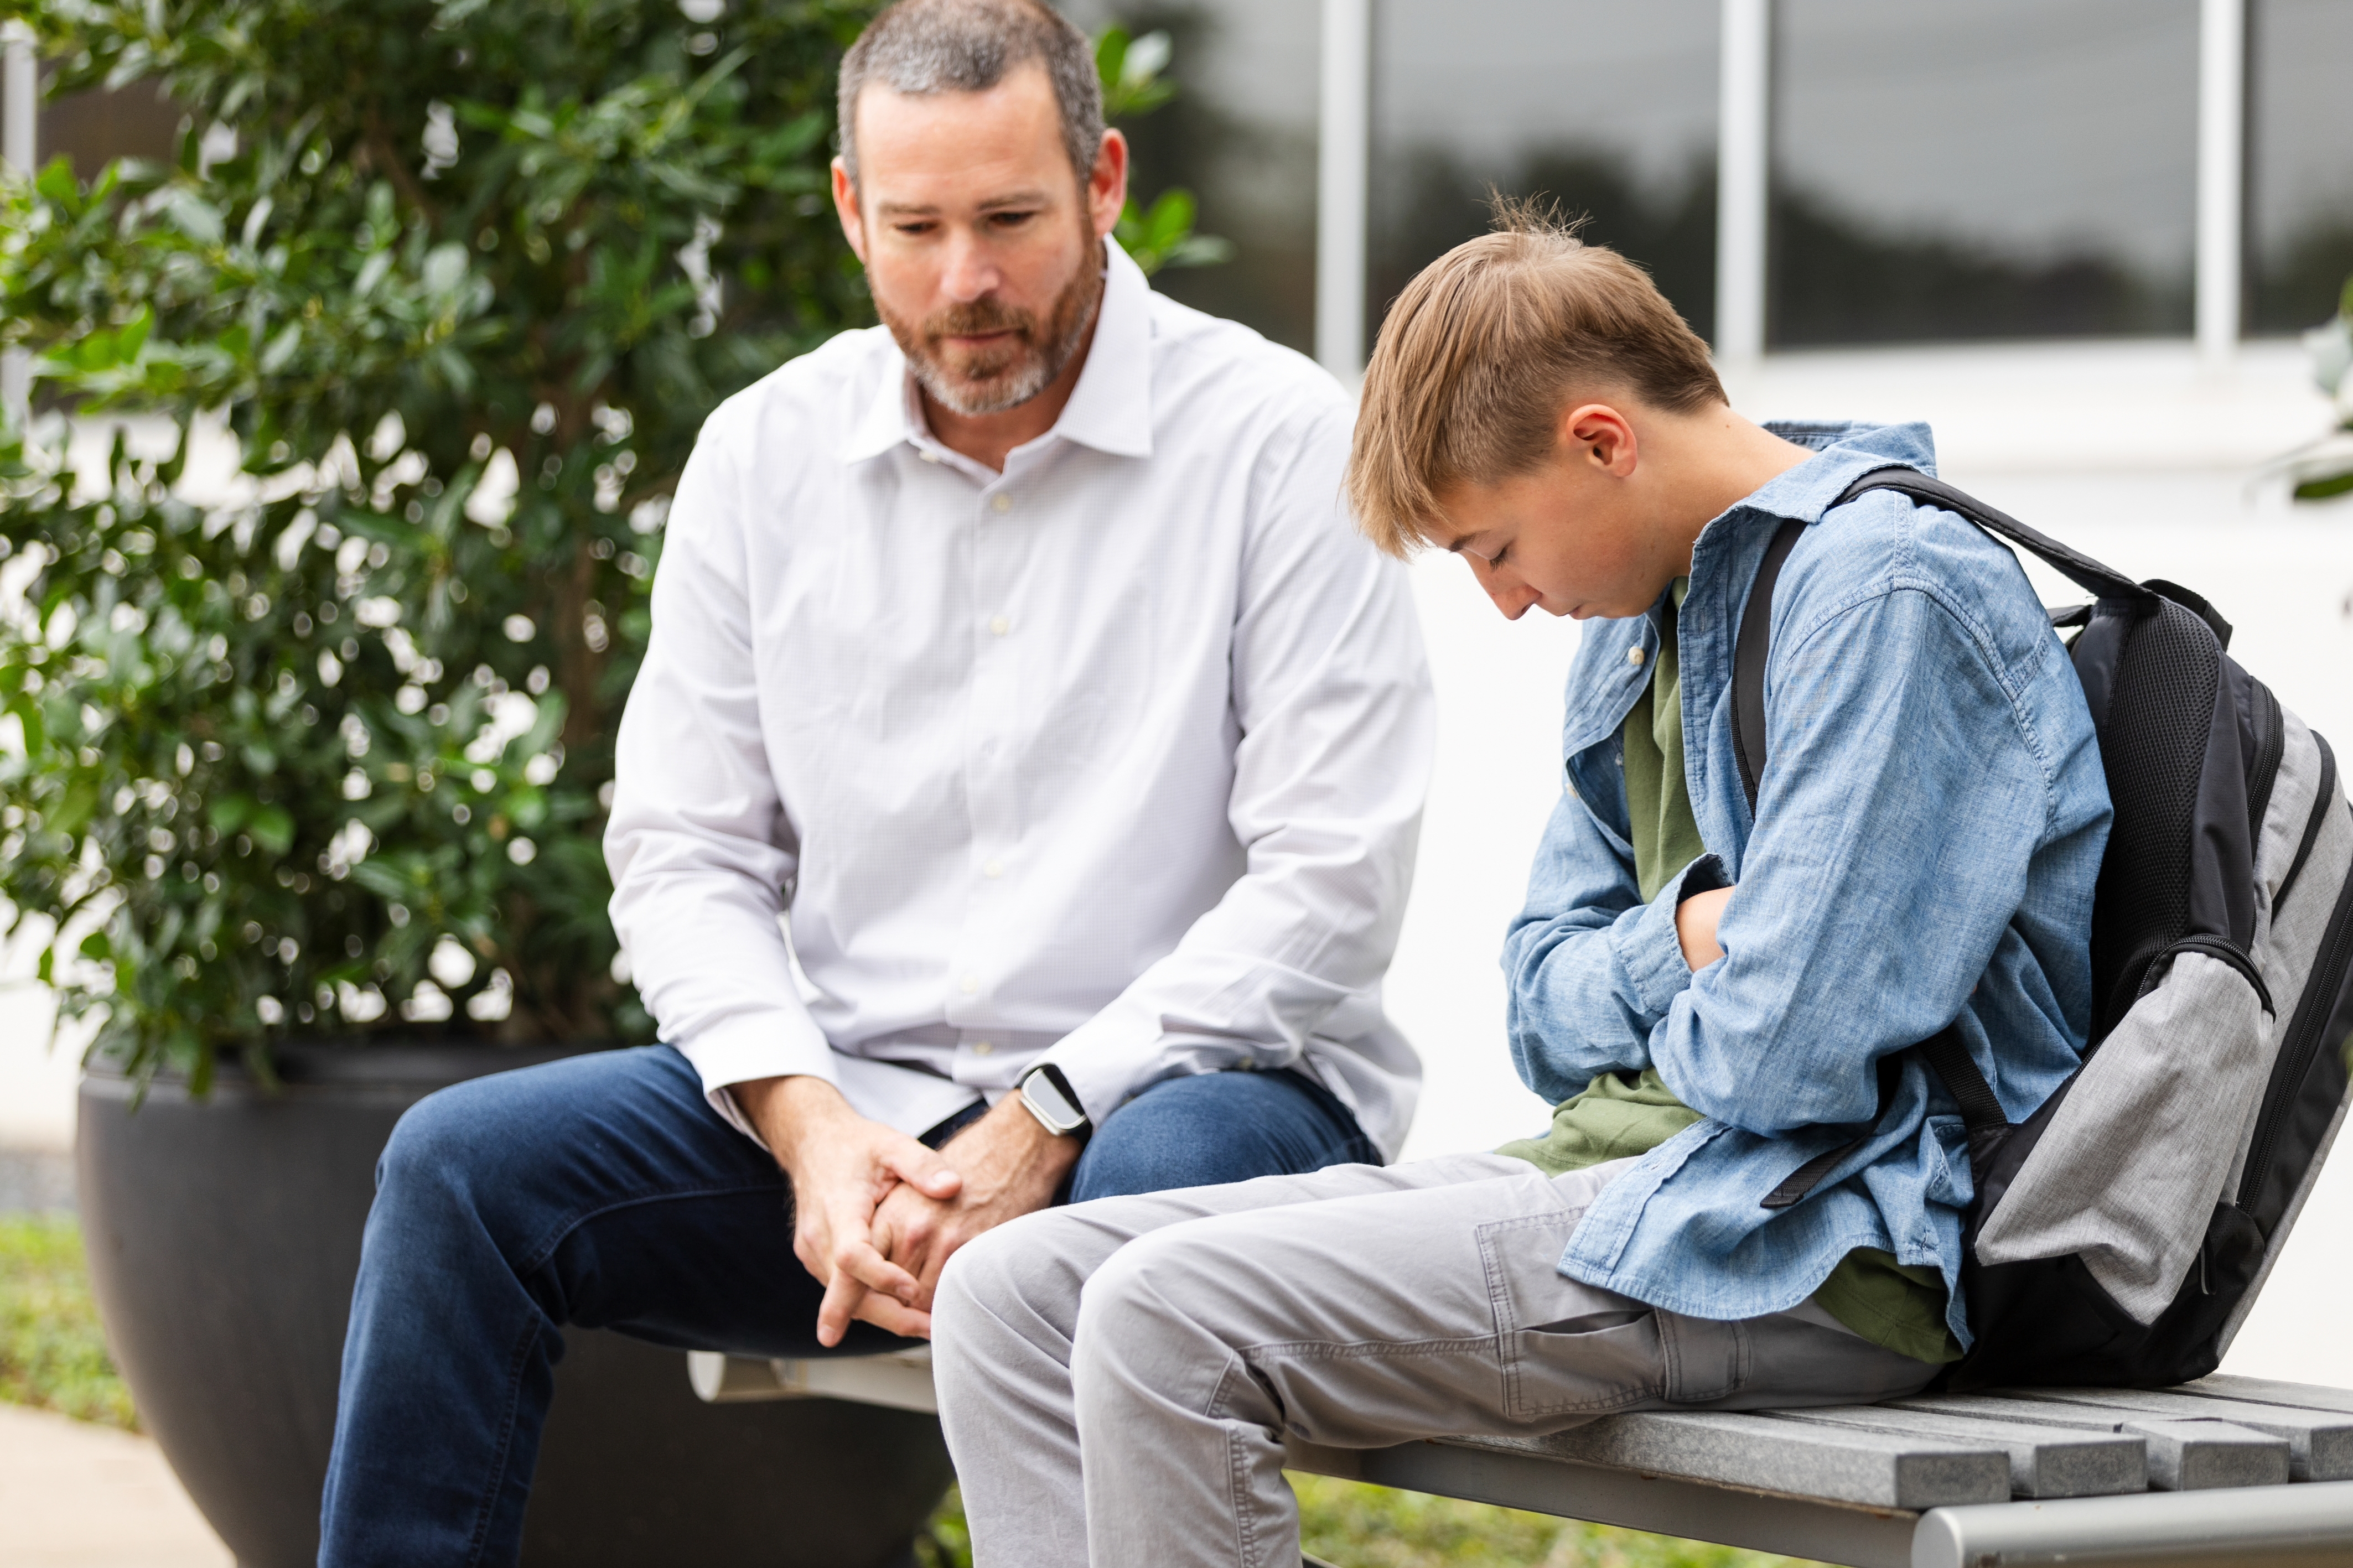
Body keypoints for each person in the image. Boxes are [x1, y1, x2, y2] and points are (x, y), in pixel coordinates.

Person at [315, 2, 1433, 1561]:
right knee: (458, 1173)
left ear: (1104, 183)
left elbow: (1330, 880)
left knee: (1132, 1221)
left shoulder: (1279, 445)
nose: (964, 282)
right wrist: (811, 1133)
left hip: (1190, 1112)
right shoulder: (761, 459)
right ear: (850, 209)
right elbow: (686, 853)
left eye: (1009, 220)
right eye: (913, 228)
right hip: (857, 1135)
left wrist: (1042, 1116)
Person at [929, 205, 2114, 1568]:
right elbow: (1537, 1009)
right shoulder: (1638, 627)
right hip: (1623, 1180)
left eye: (1491, 547)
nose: (1500, 600)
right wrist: (1687, 941)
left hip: (1809, 1237)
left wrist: (1673, 969)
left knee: (1158, 1321)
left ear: (1601, 441)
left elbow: (1781, 1061)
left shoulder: (1884, 598)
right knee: (1008, 1294)